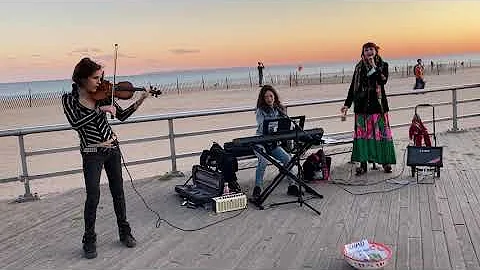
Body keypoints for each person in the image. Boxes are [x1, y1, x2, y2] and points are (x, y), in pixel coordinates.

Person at [62, 57, 149, 259]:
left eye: (101, 77)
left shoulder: (102, 95)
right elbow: (76, 124)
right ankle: (89, 239)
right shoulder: (69, 100)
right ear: (82, 78)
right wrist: (100, 110)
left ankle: (124, 232)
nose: (100, 82)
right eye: (95, 78)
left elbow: (122, 115)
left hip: (113, 149)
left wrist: (141, 99)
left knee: (118, 192)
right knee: (93, 197)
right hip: (92, 152)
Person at [340, 42, 396, 175]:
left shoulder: (383, 65)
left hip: (378, 107)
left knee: (382, 135)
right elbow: (353, 86)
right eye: (366, 50)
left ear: (376, 51)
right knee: (363, 137)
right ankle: (363, 164)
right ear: (362, 53)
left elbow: (383, 80)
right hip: (361, 107)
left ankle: (385, 162)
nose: (369, 51)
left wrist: (374, 66)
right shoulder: (358, 67)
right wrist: (347, 104)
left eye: (371, 49)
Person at [252, 85, 300, 198]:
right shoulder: (260, 110)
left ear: (274, 96)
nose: (269, 99)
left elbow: (285, 124)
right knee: (263, 160)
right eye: (266, 97)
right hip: (260, 141)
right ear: (262, 99)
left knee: (287, 158)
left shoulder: (279, 108)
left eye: (271, 96)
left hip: (273, 143)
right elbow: (263, 125)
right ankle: (258, 187)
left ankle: (292, 186)